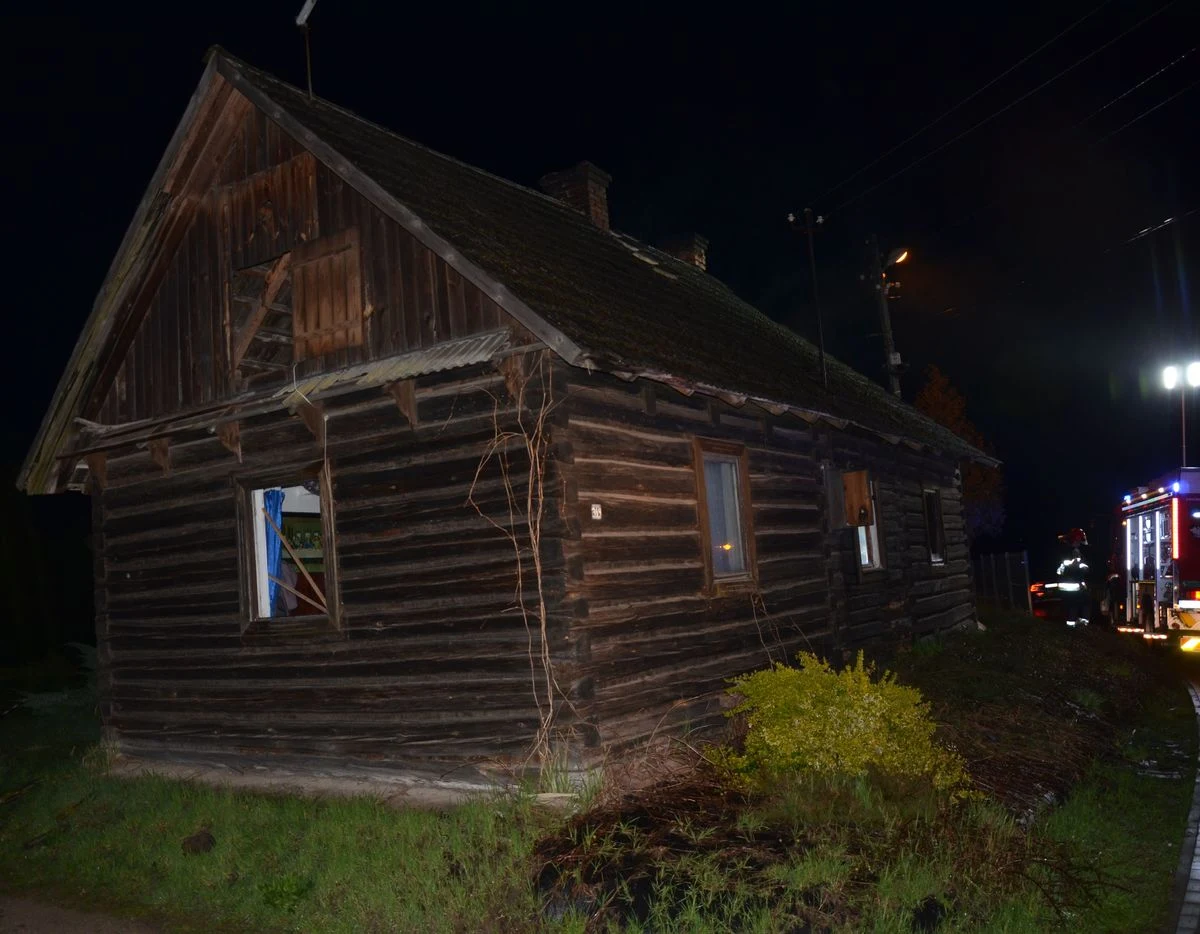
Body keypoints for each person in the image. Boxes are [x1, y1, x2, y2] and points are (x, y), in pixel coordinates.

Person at [1056, 528, 1090, 626]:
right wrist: (1084, 569)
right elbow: (1077, 567)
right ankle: (1081, 624)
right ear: (1076, 539)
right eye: (1080, 540)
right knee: (1082, 603)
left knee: (1071, 606)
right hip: (1073, 585)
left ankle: (1071, 625)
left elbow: (1061, 570)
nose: (1081, 543)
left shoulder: (1064, 551)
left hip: (1066, 585)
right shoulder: (1074, 552)